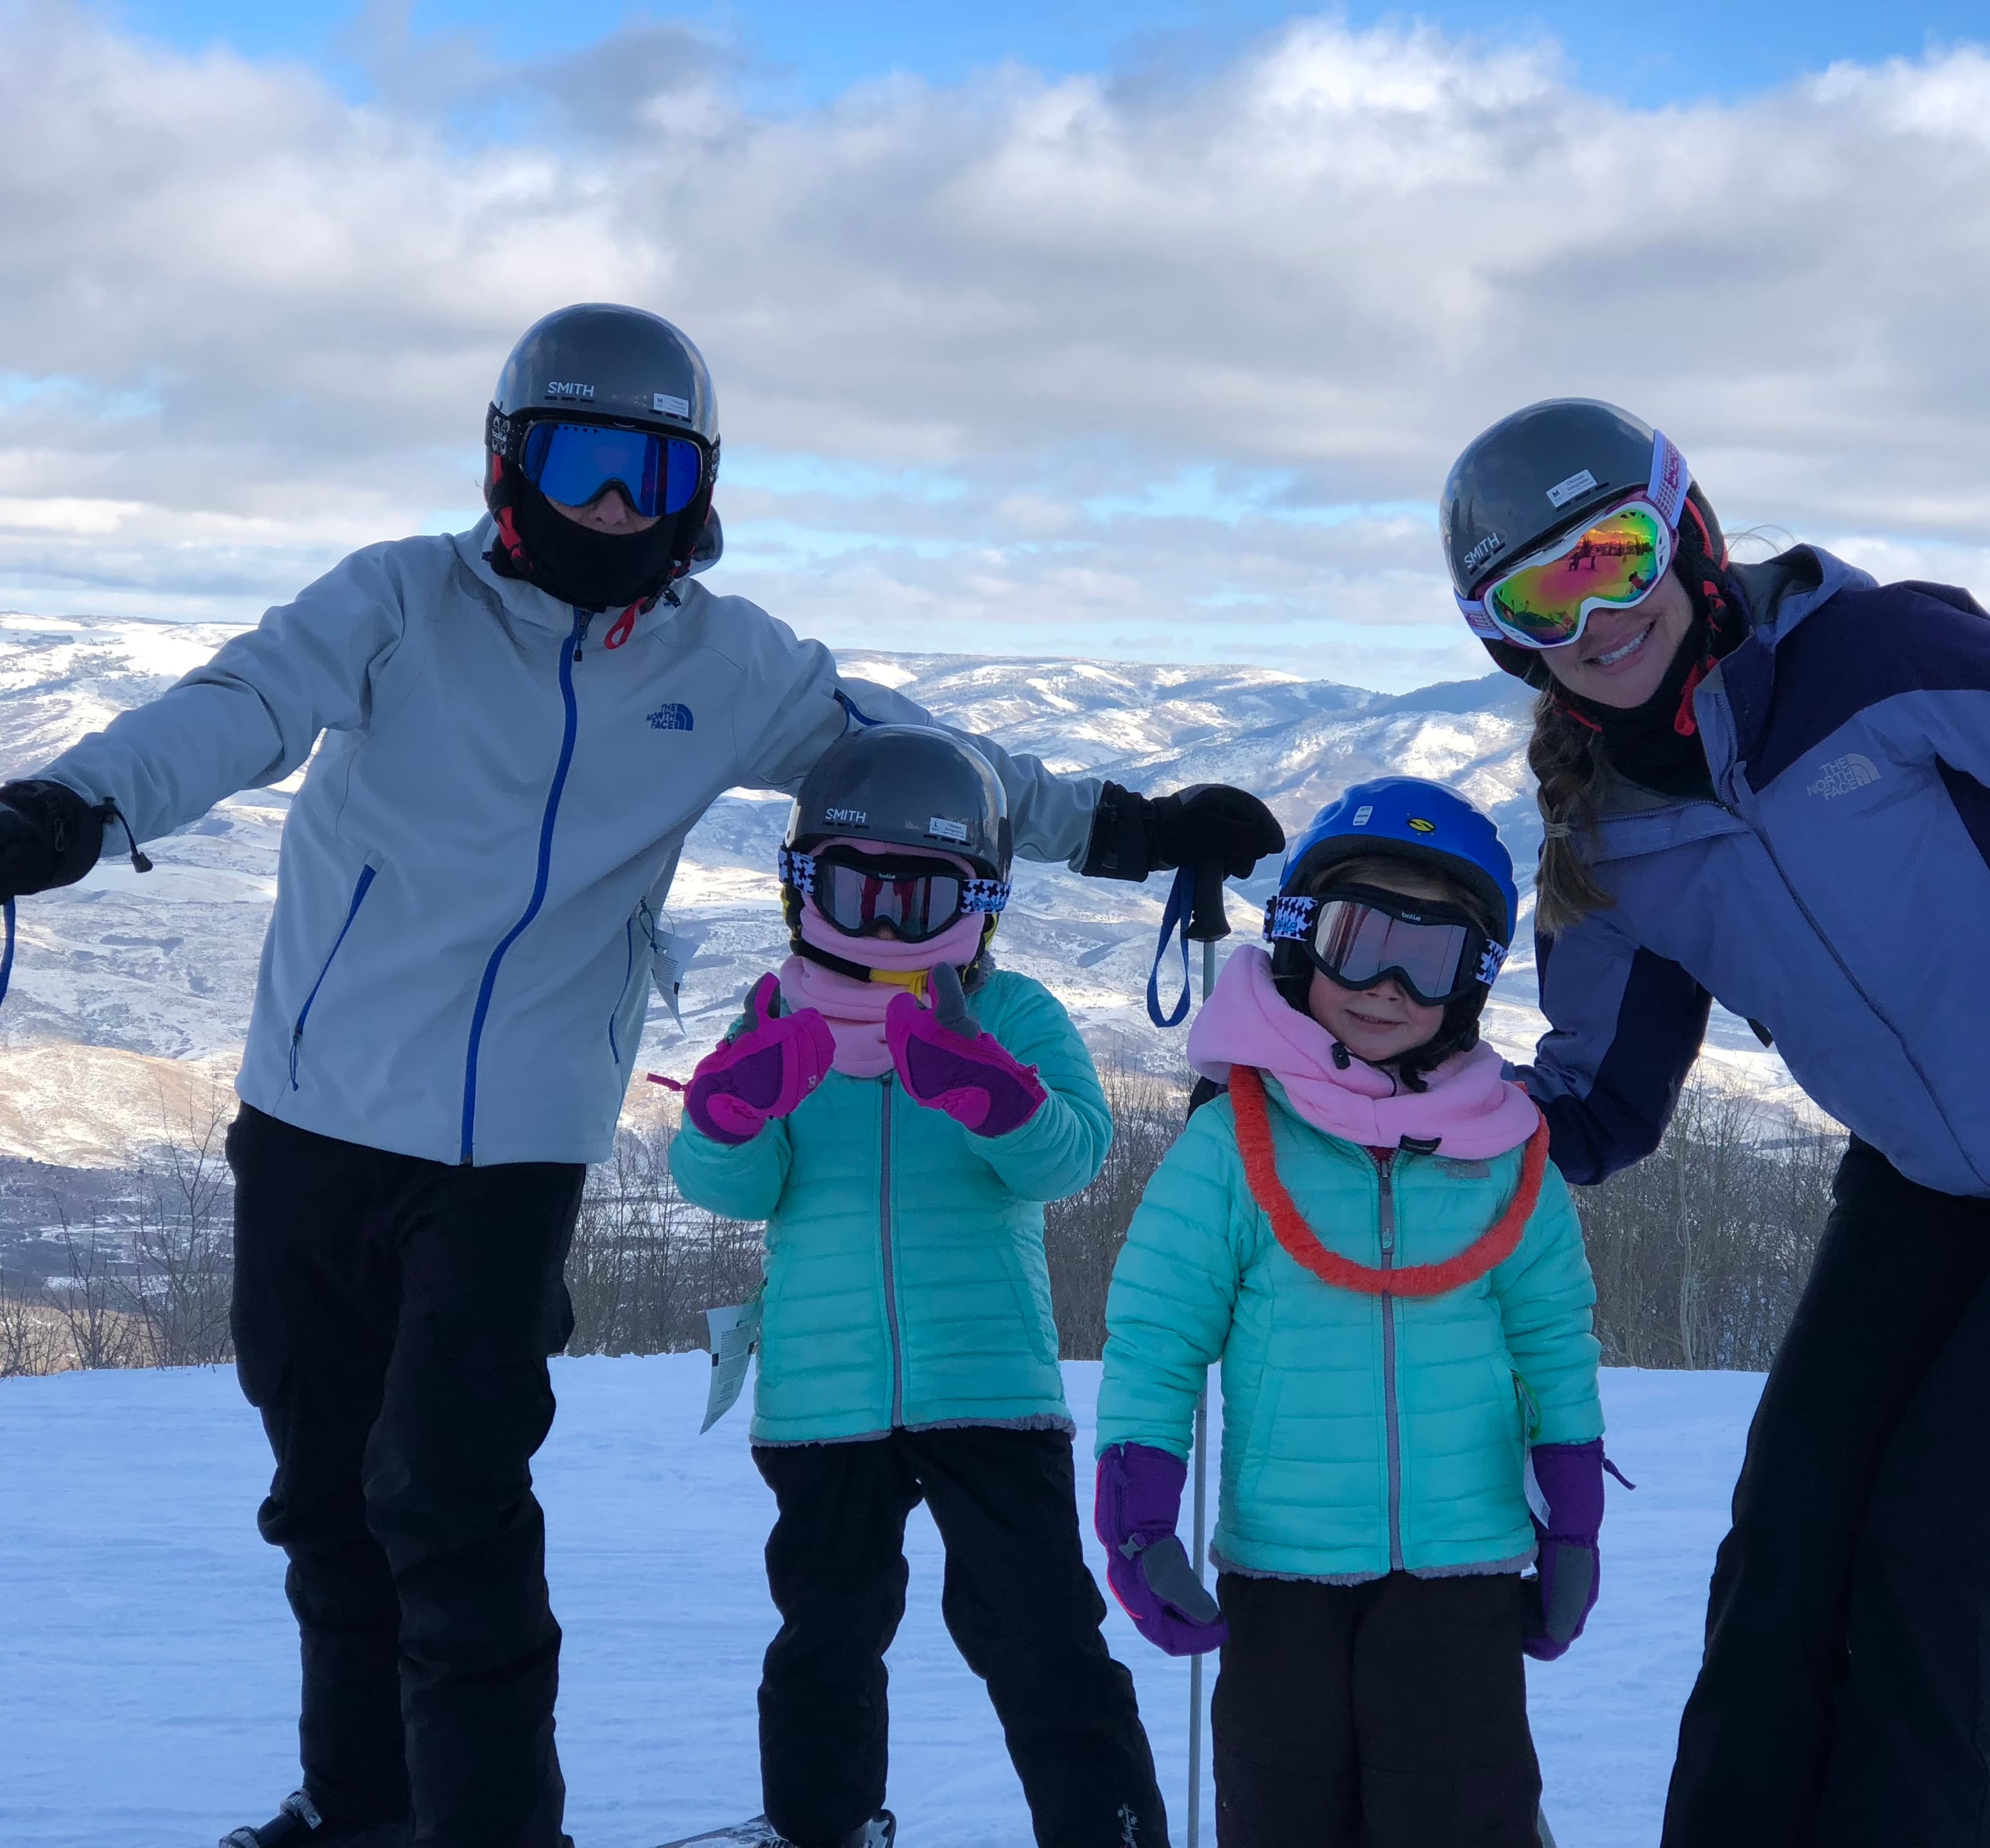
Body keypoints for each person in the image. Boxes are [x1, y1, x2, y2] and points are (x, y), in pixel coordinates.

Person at [0, 304, 1279, 1848]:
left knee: (449, 1505)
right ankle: (361, 1809)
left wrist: (1133, 829)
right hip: (311, 1122)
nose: (615, 505)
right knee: (330, 1505)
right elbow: (239, 707)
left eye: (650, 472)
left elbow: (931, 766)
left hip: (519, 1151)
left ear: (700, 487)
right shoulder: (399, 601)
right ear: (505, 460)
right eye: (582, 460)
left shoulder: (727, 664)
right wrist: (75, 807)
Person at [1436, 398, 1990, 1845]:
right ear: (1503, 636)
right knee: (1790, 1535)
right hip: (1933, 1176)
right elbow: (1599, 1101)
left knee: (1938, 1539)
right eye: (1541, 592)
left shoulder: (1878, 660)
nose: (1598, 614)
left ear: (1688, 537)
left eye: (1615, 556)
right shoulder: (1607, 830)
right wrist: (1394, 1120)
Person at [662, 724, 1169, 1848]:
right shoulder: (775, 1012)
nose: (887, 923)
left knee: (1036, 1629)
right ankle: (820, 1826)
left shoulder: (1016, 1014)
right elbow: (736, 1190)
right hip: (822, 1392)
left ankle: (1110, 1829)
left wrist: (1003, 1099)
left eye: (921, 894)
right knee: (826, 1634)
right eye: (857, 890)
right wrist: (728, 1116)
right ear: (804, 891)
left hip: (988, 1381)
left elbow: (1075, 1157)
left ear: (979, 898)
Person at [1094, 779, 1608, 1848]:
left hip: (1462, 1570)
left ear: (1469, 983)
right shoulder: (1233, 1142)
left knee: (1461, 1814)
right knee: (1287, 1813)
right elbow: (1158, 1334)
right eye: (1356, 938)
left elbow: (1553, 1336)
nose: (1382, 986)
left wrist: (1573, 1512)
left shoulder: (1503, 1150)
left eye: (1426, 961)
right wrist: (1139, 1514)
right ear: (1295, 938)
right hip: (1283, 1570)